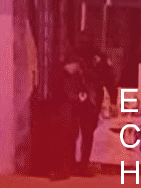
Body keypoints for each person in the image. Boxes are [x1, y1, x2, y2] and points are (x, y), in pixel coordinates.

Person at [71, 36, 117, 176]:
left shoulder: (77, 55)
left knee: (81, 131)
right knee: (85, 132)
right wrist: (113, 101)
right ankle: (80, 164)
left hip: (84, 96)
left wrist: (113, 100)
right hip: (88, 97)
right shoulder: (79, 56)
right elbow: (110, 79)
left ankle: (78, 164)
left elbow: (109, 79)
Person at [50, 56, 91, 180]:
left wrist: (81, 96)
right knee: (66, 137)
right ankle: (64, 168)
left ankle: (67, 168)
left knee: (71, 136)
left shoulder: (76, 75)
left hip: (72, 107)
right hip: (66, 106)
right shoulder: (63, 74)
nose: (74, 68)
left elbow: (81, 88)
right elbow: (62, 90)